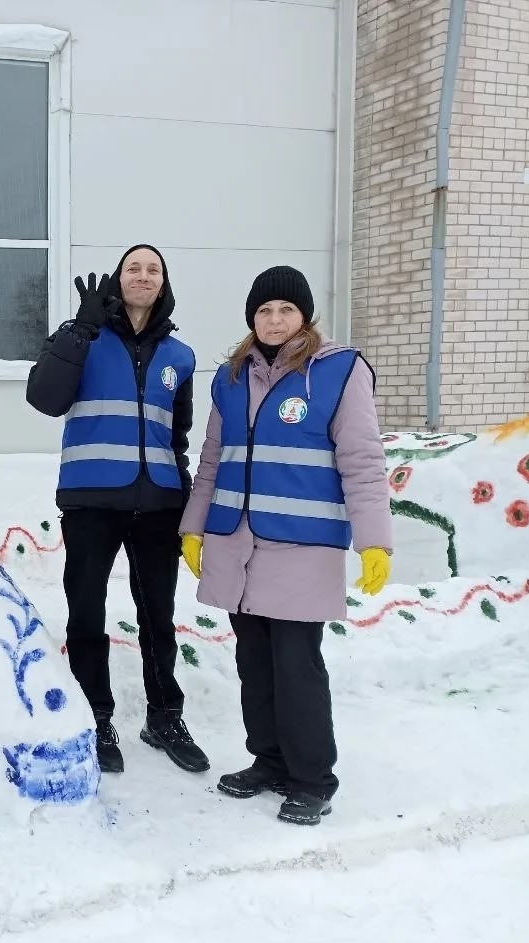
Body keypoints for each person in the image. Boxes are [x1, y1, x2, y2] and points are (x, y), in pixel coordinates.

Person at [179, 265, 392, 825]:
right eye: (264, 311)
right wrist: (193, 528)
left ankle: (312, 780)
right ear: (252, 317)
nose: (274, 320)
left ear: (305, 316)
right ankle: (269, 762)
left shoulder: (339, 372)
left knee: (297, 667)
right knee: (254, 663)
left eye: (286, 310)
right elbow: (212, 461)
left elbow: (363, 461)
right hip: (238, 544)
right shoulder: (231, 377)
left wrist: (375, 540)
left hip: (302, 547)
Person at [26, 245, 208, 775]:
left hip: (158, 504)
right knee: (86, 612)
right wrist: (79, 332)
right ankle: (95, 717)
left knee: (158, 618)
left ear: (163, 283)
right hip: (91, 501)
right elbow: (45, 398)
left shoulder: (180, 356)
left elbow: (177, 436)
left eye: (154, 269)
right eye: (134, 267)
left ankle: (164, 717)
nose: (143, 276)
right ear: (118, 278)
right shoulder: (80, 337)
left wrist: (185, 498)